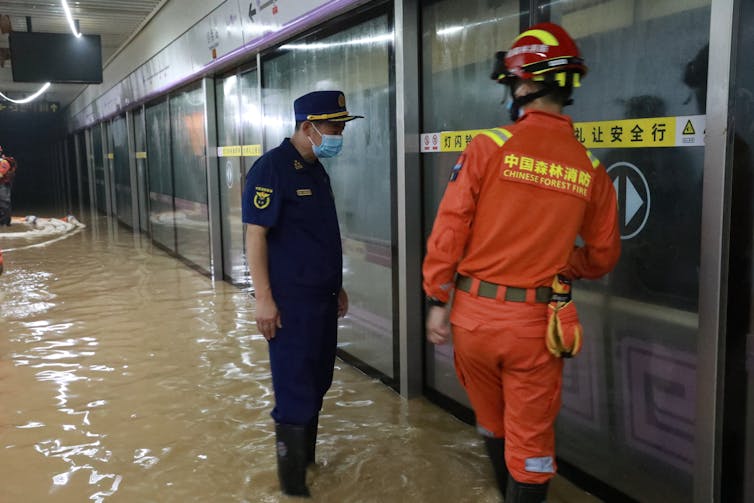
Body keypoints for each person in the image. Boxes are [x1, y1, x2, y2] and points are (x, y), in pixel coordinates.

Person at [422, 23, 621, 503]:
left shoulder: (488, 146)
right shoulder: (591, 169)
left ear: (526, 84)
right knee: (532, 450)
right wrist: (561, 264)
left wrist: (436, 299)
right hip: (536, 326)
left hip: (472, 318)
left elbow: (450, 231)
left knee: (492, 422)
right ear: (566, 86)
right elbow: (603, 255)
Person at [241, 90, 363, 497]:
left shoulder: (315, 170)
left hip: (323, 299)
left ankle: (307, 466)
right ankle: (294, 490)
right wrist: (263, 298)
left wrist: (337, 285)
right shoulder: (271, 168)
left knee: (317, 383)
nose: (339, 133)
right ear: (306, 127)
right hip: (291, 305)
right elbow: (255, 234)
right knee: (295, 390)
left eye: (342, 125)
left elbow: (319, 234)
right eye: (333, 126)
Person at [0, 146, 14, 226]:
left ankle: (5, 224)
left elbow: (2, 174)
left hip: (2, 185)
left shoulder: (4, 162)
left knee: (4, 204)